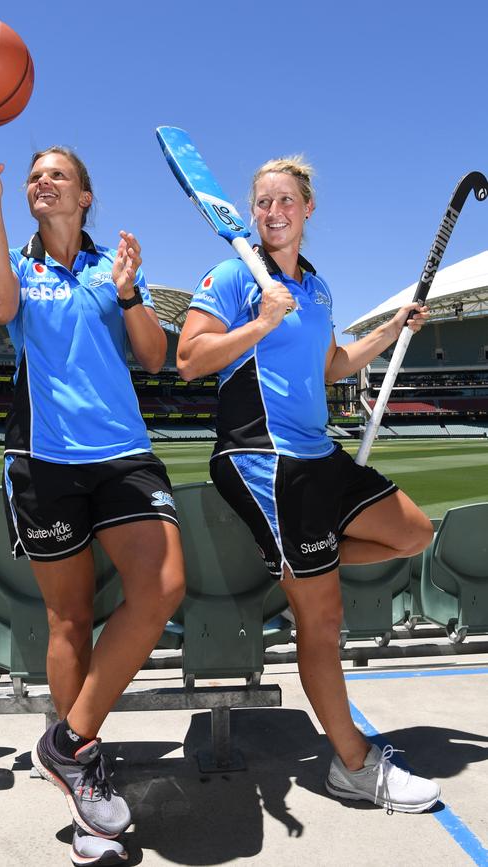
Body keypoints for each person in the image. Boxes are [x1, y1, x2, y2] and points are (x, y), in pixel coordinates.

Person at [177, 155, 440, 814]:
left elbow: (331, 365)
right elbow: (188, 360)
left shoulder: (317, 289)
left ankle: (303, 555)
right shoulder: (237, 274)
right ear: (251, 211)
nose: (273, 212)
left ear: (307, 209)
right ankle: (353, 764)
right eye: (263, 202)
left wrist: (390, 329)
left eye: (285, 201)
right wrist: (261, 320)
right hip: (261, 456)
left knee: (413, 530)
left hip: (319, 453)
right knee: (321, 619)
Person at [0, 124, 185, 862]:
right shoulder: (18, 263)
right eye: (34, 177)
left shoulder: (114, 269)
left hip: (123, 453)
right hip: (43, 458)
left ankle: (64, 743)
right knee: (69, 622)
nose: (43, 182)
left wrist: (128, 295)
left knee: (161, 585)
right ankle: (89, 794)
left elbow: (155, 356)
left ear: (85, 196)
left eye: (57, 175)